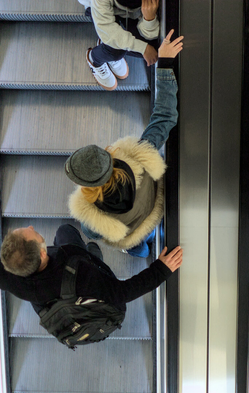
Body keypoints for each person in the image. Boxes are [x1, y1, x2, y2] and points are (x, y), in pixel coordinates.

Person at [65, 30, 182, 258]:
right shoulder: (140, 155)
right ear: (109, 155)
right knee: (150, 224)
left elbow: (94, 234)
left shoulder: (91, 222)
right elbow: (165, 115)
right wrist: (166, 63)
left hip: (135, 231)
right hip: (153, 206)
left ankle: (139, 250)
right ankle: (151, 234)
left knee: (139, 245)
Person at [0, 219, 182, 314]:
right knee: (75, 239)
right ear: (44, 254)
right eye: (32, 234)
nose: (31, 227)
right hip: (85, 282)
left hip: (52, 297)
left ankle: (94, 251)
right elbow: (123, 292)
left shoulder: (4, 273)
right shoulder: (84, 276)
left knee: (66, 230)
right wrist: (161, 269)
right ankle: (95, 253)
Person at [79, 0, 160, 90]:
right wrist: (142, 48)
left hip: (132, 11)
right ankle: (95, 58)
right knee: (116, 50)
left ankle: (108, 45)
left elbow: (150, 36)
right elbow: (107, 29)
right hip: (98, 6)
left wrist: (149, 19)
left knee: (155, 47)